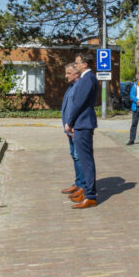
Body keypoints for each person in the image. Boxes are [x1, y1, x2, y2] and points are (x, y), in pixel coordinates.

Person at [65, 54, 99, 209]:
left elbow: (79, 103)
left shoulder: (87, 79)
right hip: (82, 123)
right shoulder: (87, 78)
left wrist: (70, 122)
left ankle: (90, 195)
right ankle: (86, 191)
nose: (75, 65)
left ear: (85, 64)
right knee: (85, 160)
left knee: (86, 161)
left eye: (77, 63)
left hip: (83, 123)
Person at [60, 63, 87, 198]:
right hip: (70, 129)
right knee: (74, 155)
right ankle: (78, 183)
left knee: (79, 156)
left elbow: (79, 109)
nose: (66, 76)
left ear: (77, 74)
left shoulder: (79, 88)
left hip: (76, 128)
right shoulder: (71, 87)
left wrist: (74, 126)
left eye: (69, 73)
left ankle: (82, 186)